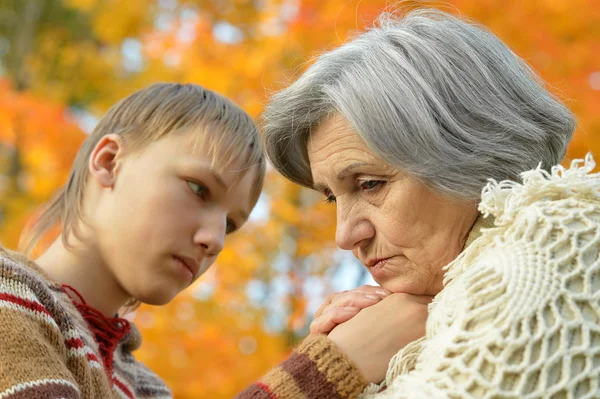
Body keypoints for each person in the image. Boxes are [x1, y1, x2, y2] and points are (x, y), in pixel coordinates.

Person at [0, 83, 424, 399]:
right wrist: (327, 369)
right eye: (198, 189)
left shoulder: (145, 389)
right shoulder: (8, 299)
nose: (215, 240)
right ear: (110, 162)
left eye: (231, 225)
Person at [261, 8, 600, 398]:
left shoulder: (563, 243)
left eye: (370, 184)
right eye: (332, 198)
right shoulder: (434, 316)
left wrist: (323, 371)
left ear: (474, 153)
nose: (344, 235)